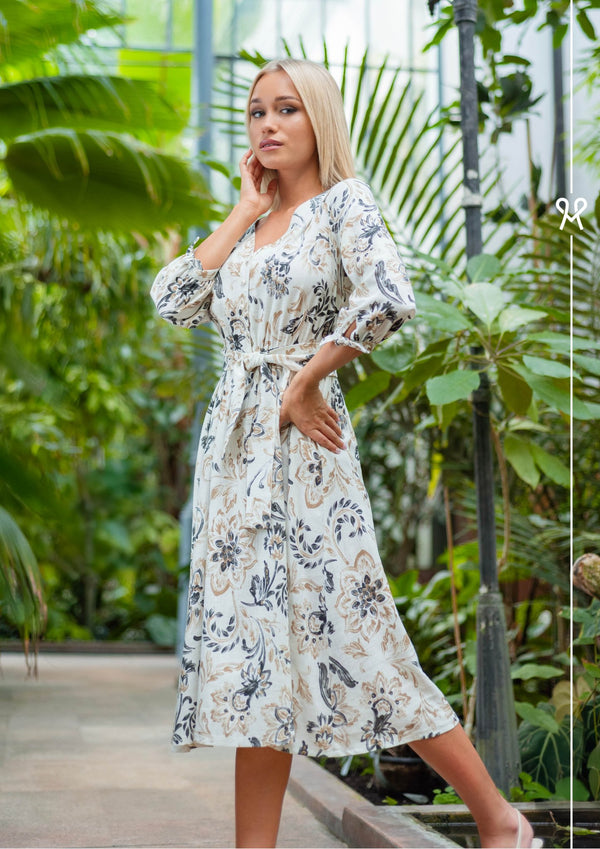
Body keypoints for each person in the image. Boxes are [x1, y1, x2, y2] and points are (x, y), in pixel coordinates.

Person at [151, 58, 542, 849]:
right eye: (257, 111)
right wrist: (242, 208)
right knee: (259, 664)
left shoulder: (343, 204)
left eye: (287, 109)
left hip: (306, 453)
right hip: (236, 460)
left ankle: (501, 819)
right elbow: (173, 300)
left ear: (319, 117)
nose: (268, 124)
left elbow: (388, 297)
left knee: (363, 639)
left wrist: (306, 380)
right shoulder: (253, 222)